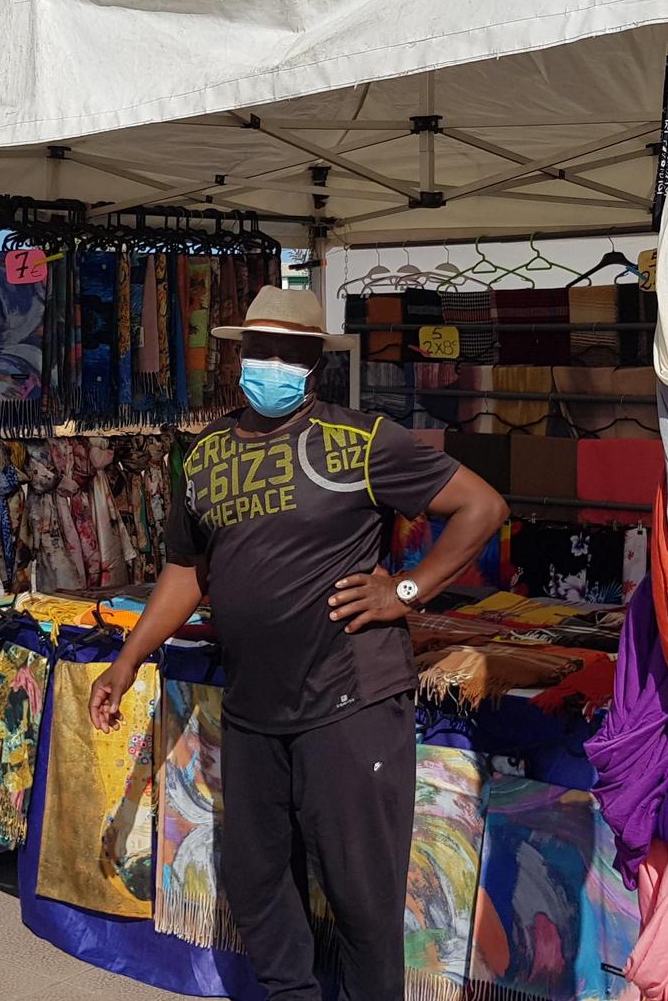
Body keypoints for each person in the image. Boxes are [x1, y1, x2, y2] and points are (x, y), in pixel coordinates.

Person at [89, 286, 508, 1000]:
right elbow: (188, 571)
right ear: (239, 354)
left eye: (290, 352)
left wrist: (405, 589)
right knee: (256, 882)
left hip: (351, 700)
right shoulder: (203, 452)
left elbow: (482, 505)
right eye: (260, 349)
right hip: (255, 707)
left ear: (314, 362)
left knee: (362, 899)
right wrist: (129, 657)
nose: (272, 364)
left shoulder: (360, 439)